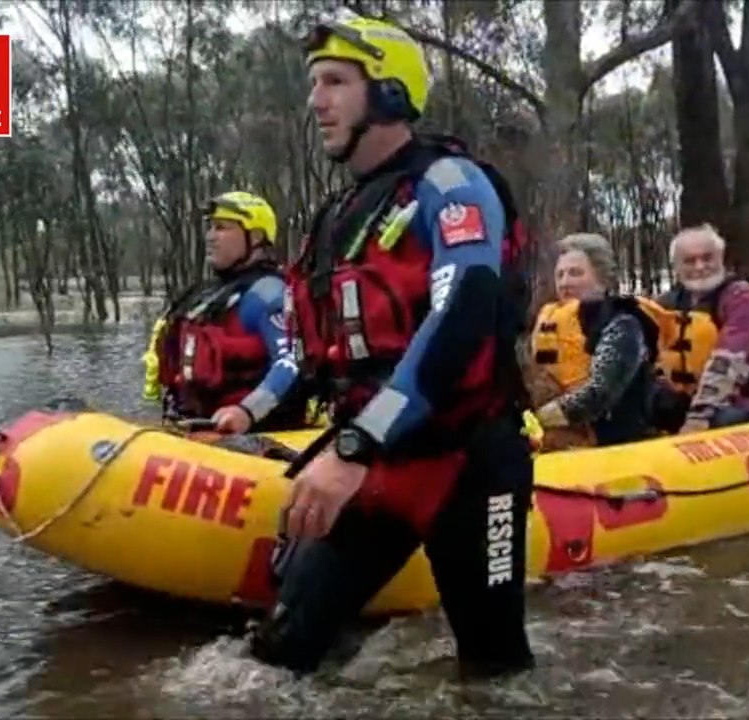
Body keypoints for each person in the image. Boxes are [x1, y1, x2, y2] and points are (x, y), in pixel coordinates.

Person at [248, 16, 535, 680]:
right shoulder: (338, 216)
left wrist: (355, 447)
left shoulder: (450, 183)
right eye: (314, 84)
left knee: (495, 673)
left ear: (391, 93)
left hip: (469, 459)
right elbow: (315, 353)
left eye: (336, 82)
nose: (316, 101)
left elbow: (465, 312)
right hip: (379, 459)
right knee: (275, 660)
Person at [141, 191, 305, 433]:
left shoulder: (268, 293)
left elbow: (291, 361)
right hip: (198, 426)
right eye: (209, 228)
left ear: (256, 236)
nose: (210, 237)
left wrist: (247, 411)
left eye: (221, 228)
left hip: (254, 433)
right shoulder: (207, 295)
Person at [527, 233, 662, 449]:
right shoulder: (549, 323)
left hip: (620, 444)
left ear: (602, 278)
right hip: (560, 436)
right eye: (560, 275)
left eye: (576, 273)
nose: (565, 283)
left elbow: (601, 392)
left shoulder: (623, 323)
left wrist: (539, 417)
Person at [654, 223, 749, 434]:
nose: (699, 266)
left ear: (720, 258)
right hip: (688, 400)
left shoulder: (740, 296)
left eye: (707, 258)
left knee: (723, 418)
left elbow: (730, 361)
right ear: (676, 267)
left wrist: (698, 417)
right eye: (689, 261)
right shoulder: (668, 303)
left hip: (743, 404)